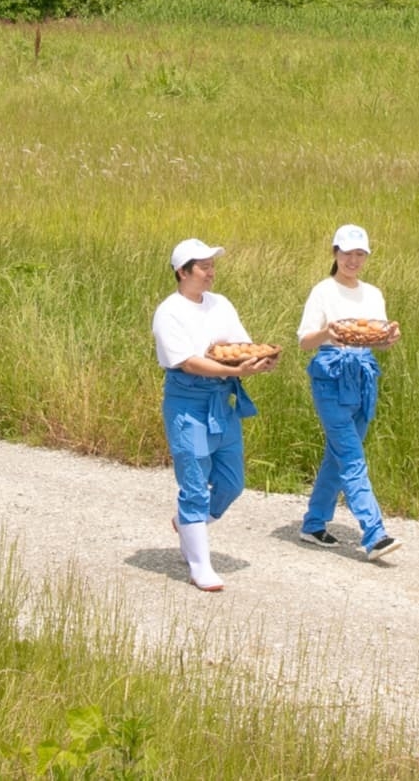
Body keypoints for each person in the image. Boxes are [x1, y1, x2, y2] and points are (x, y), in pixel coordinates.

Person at [153, 237, 276, 591]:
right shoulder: (169, 312)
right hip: (187, 402)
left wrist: (257, 361)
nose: (210, 273)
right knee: (194, 484)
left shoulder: (221, 303)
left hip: (222, 401)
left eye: (212, 266)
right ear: (182, 272)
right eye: (203, 267)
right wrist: (233, 370)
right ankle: (199, 566)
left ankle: (187, 523)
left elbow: (238, 346)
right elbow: (188, 362)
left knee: (232, 483)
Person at [296, 223, 403, 561]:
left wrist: (389, 339)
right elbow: (304, 341)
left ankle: (314, 523)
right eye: (347, 253)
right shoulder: (323, 291)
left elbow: (376, 338)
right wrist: (327, 334)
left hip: (364, 376)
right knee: (352, 456)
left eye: (360, 254)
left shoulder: (373, 294)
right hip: (330, 376)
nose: (353, 261)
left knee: (338, 453)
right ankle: (374, 533)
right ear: (335, 253)